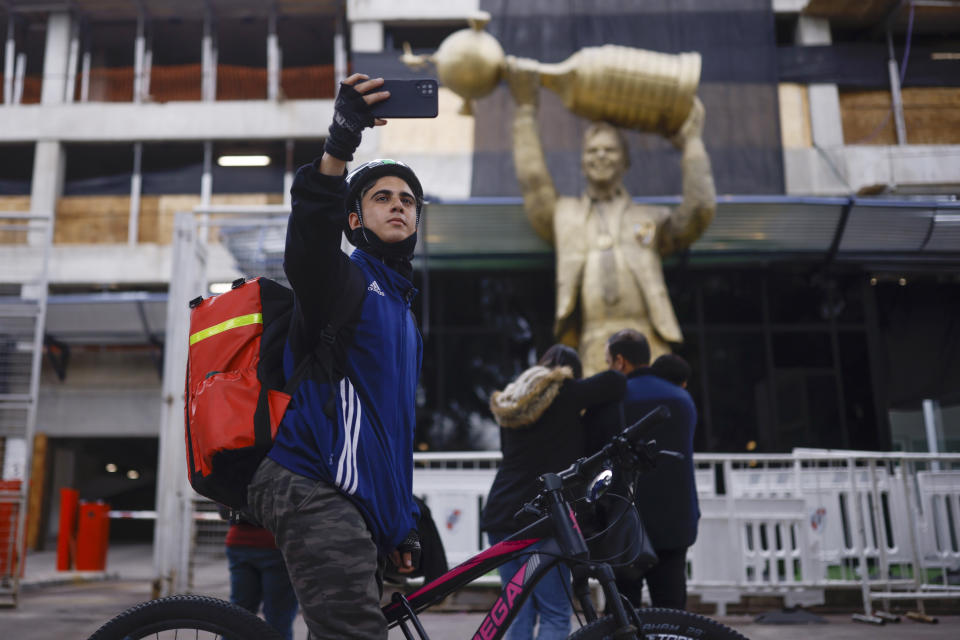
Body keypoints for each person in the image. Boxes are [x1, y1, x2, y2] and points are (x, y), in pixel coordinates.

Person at [246, 73, 423, 640]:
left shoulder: (404, 313)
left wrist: (402, 528)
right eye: (382, 198)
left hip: (356, 500)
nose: (398, 206)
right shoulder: (341, 280)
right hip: (313, 481)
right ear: (355, 220)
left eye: (408, 200)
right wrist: (341, 141)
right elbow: (309, 240)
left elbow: (391, 430)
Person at [505, 56, 716, 375]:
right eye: (592, 151)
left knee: (653, 418)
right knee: (596, 423)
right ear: (582, 162)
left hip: (649, 341)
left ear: (625, 161)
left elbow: (699, 212)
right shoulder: (565, 215)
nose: (600, 156)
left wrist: (693, 145)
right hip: (591, 346)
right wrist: (525, 110)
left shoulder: (651, 217)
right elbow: (534, 182)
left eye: (610, 150)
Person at [481, 344, 625, 640]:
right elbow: (615, 382)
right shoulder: (565, 393)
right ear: (567, 374)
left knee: (517, 611)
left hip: (501, 513)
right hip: (543, 514)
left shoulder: (513, 403)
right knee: (554, 612)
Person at [584, 329, 699, 611]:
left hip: (625, 524)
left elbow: (591, 456)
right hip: (676, 521)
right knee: (672, 612)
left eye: (609, 361)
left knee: (622, 613)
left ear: (620, 361)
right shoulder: (682, 398)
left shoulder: (610, 400)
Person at [221, 510, 299, 640]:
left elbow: (226, 512)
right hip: (277, 544)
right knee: (278, 618)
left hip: (240, 542)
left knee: (238, 615)